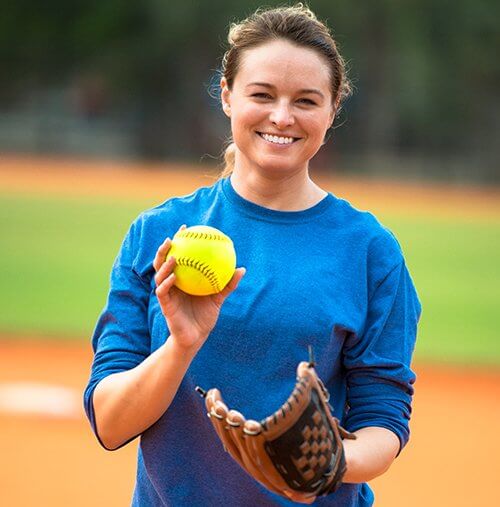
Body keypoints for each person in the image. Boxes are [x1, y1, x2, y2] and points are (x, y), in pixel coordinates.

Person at [84, 4, 421, 506]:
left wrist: (322, 466)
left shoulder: (370, 251)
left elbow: (384, 419)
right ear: (226, 96)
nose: (282, 117)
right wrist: (181, 345)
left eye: (306, 100)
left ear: (332, 111)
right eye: (262, 95)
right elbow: (110, 425)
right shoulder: (159, 236)